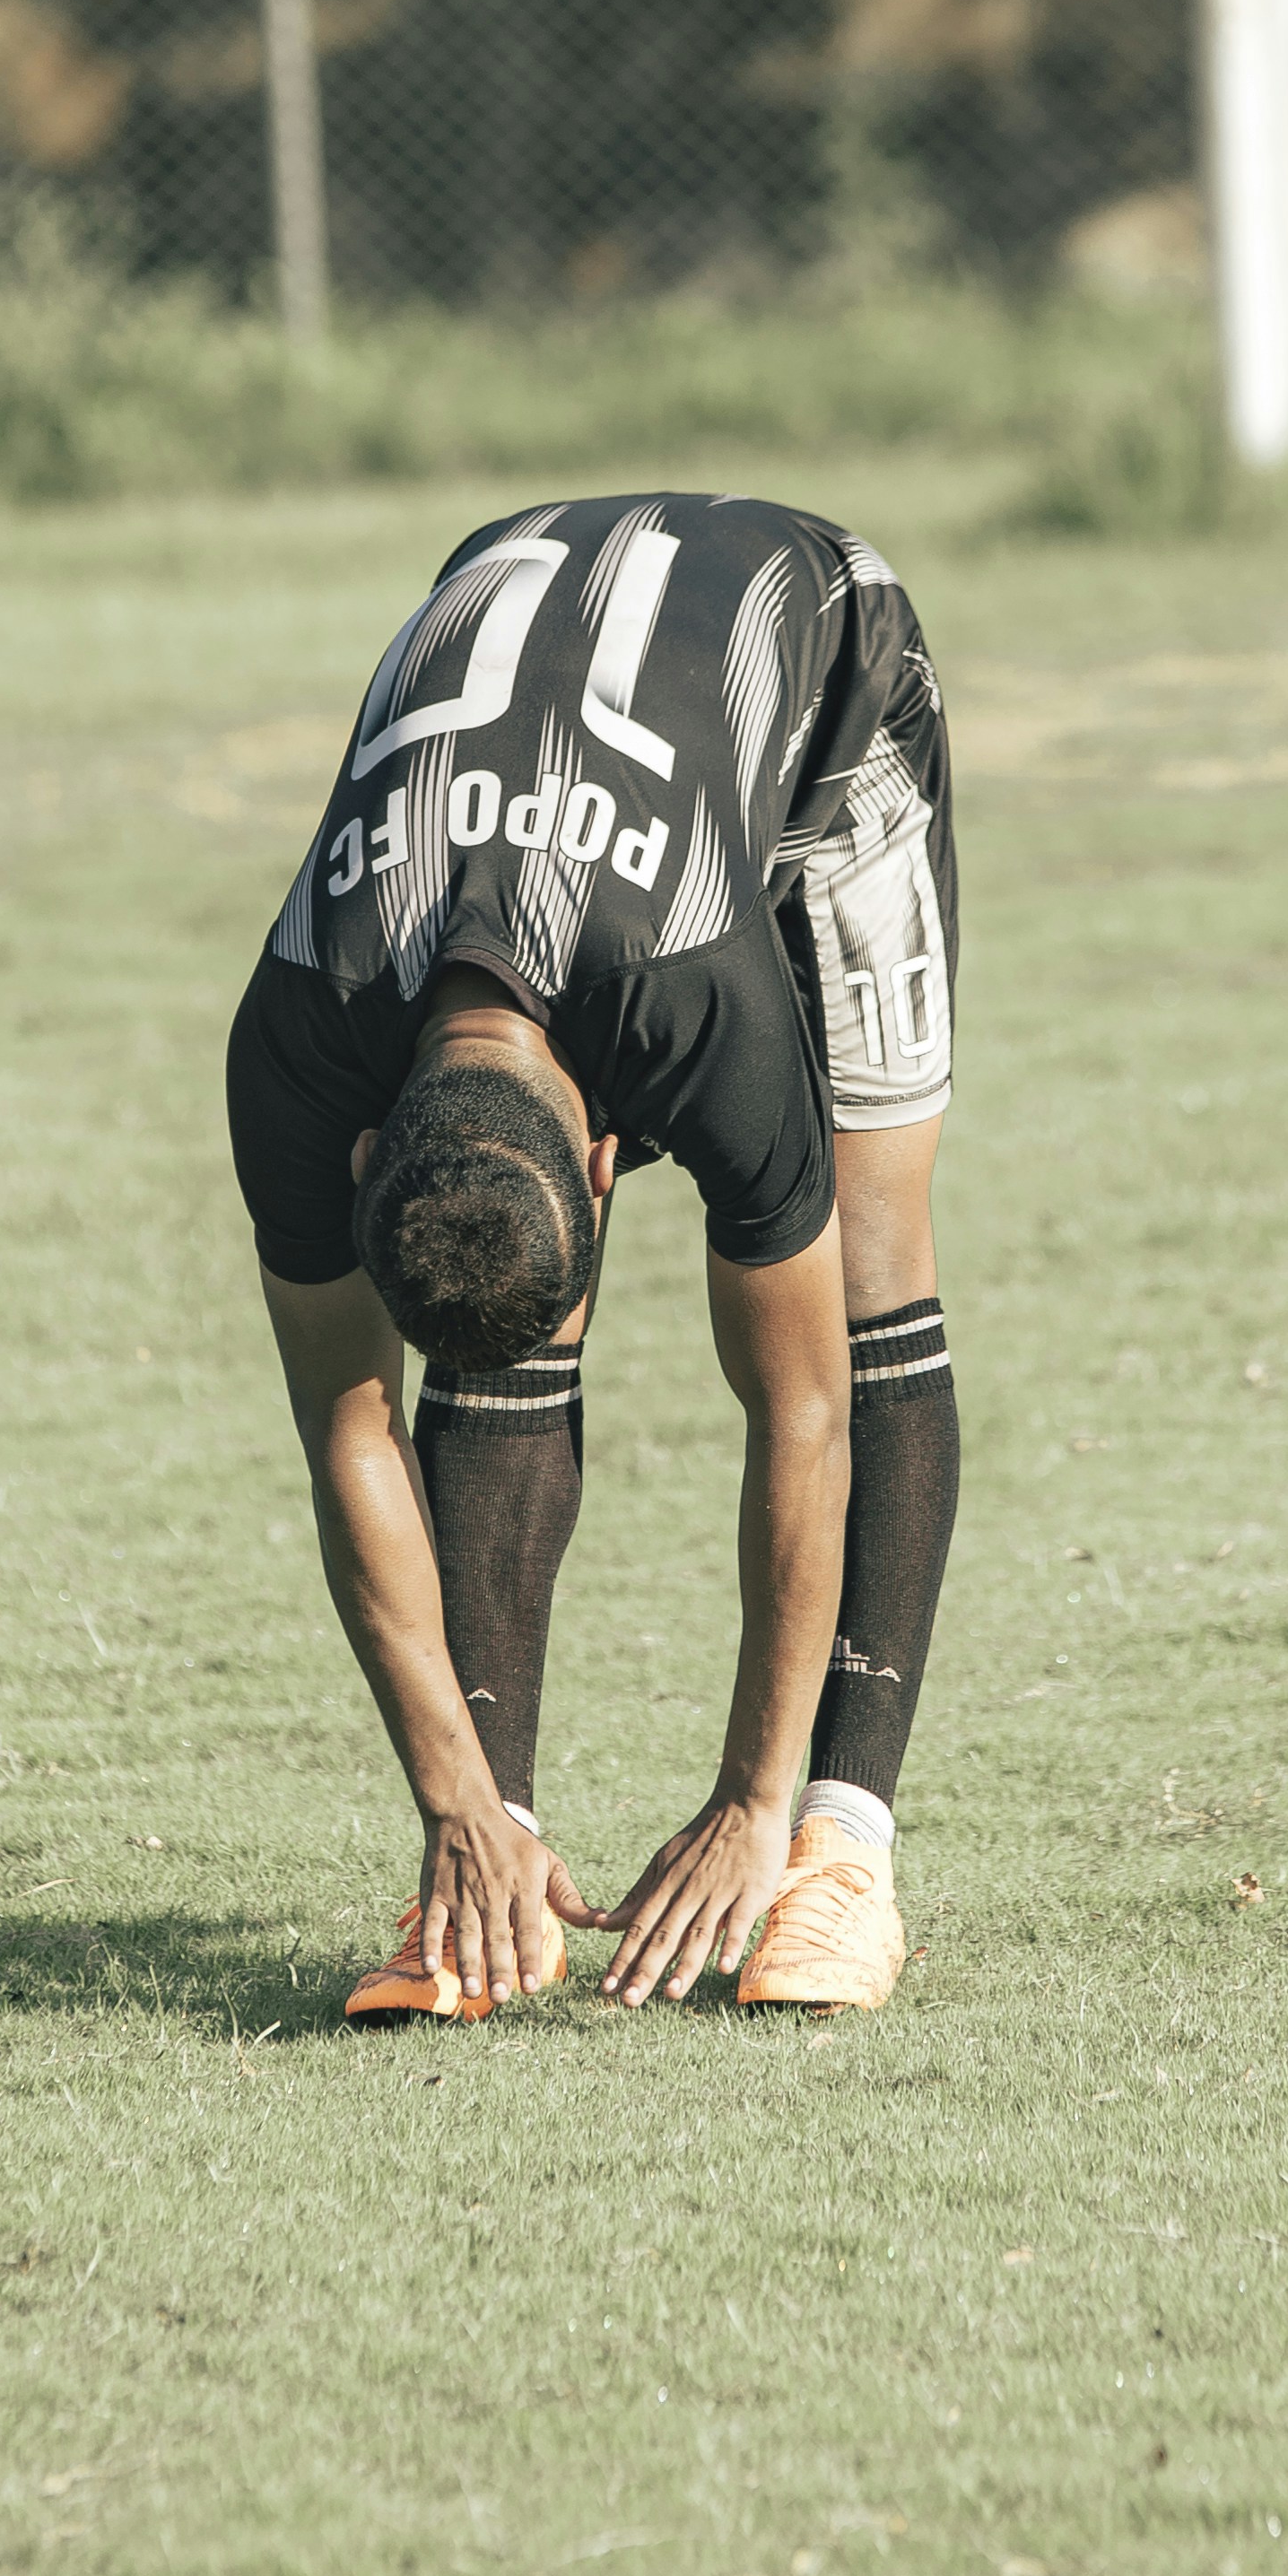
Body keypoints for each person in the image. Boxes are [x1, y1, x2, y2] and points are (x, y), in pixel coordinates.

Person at [226, 493, 962, 2022]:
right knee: (487, 1273)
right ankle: (494, 1865)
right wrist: (453, 1793)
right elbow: (349, 1426)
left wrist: (757, 1795)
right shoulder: (302, 1033)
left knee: (870, 1262)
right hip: (559, 720)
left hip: (828, 690)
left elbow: (804, 1411)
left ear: (620, 1153)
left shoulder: (703, 1012)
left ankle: (842, 1853)